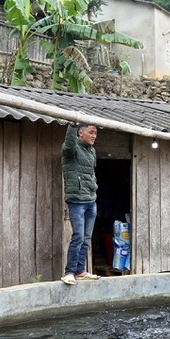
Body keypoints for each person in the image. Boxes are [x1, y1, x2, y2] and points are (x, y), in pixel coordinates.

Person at [61, 122, 101, 284]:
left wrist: (94, 186)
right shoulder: (71, 150)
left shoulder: (91, 151)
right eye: (91, 132)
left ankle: (80, 271)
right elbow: (69, 143)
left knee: (86, 237)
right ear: (80, 133)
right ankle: (69, 272)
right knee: (77, 236)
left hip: (91, 200)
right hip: (77, 201)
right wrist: (72, 124)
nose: (93, 136)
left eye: (95, 133)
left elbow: (91, 173)